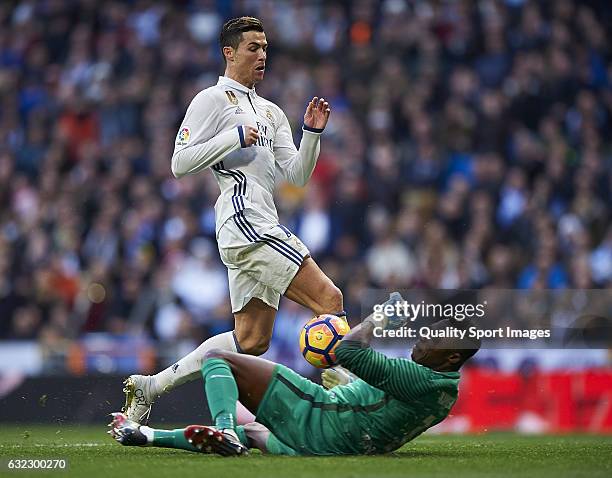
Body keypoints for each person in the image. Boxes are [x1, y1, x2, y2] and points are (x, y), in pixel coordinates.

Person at [122, 16, 344, 424]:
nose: (262, 55)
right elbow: (179, 163)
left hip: (260, 216)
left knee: (251, 341)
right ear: (229, 52)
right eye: (253, 48)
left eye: (265, 48)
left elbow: (295, 174)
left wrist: (311, 134)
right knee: (329, 300)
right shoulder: (211, 99)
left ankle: (151, 386)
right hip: (242, 216)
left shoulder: (272, 111)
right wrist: (232, 137)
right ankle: (350, 403)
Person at [110, 298, 481, 456]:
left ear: (451, 355)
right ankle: (144, 434)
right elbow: (384, 411)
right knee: (252, 434)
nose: (421, 338)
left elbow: (347, 351)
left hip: (319, 421)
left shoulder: (419, 377)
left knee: (217, 359)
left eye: (433, 338)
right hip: (330, 446)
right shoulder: (443, 391)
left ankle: (222, 427)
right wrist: (353, 388)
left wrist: (379, 318)